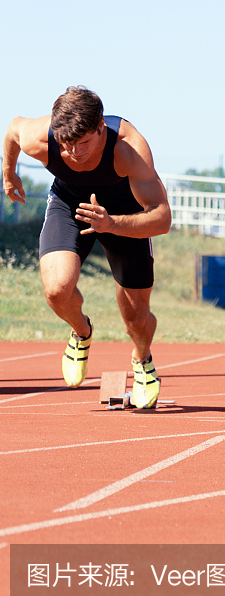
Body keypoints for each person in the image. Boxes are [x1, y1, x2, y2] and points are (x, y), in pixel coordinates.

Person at [2, 87, 172, 408]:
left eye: (83, 143)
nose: (75, 153)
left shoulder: (127, 148)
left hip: (126, 212)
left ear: (101, 129)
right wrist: (9, 175)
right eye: (66, 145)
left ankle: (142, 357)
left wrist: (113, 224)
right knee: (56, 290)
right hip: (70, 203)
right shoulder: (41, 138)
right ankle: (82, 332)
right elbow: (12, 129)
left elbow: (162, 219)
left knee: (136, 318)